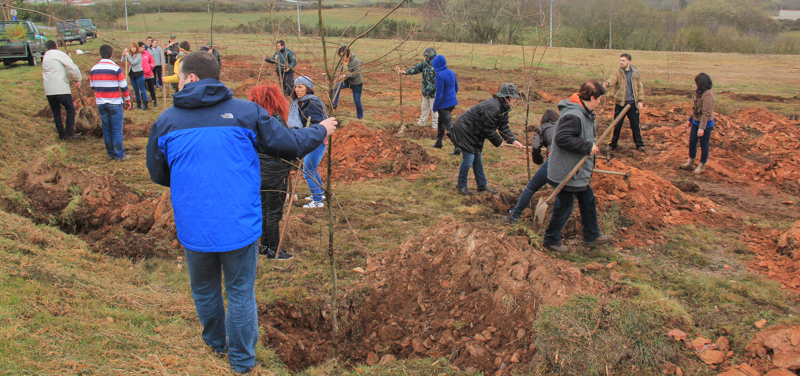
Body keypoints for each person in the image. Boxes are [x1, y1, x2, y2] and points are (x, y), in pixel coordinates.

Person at [146, 52, 337, 374]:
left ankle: (215, 345)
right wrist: (321, 129)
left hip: (195, 226)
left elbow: (159, 174)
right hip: (238, 225)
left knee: (205, 290)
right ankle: (242, 363)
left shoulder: (166, 121)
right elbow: (288, 144)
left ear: (191, 78)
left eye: (178, 77)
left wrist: (189, 179)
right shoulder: (246, 113)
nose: (178, 84)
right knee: (239, 293)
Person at [542, 81, 614, 253]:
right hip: (567, 170)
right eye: (600, 99)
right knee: (565, 206)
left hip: (577, 170)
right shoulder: (574, 115)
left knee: (587, 199)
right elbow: (562, 138)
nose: (600, 103)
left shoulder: (584, 112)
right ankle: (551, 240)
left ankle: (592, 235)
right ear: (592, 97)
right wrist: (587, 147)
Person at [450, 83, 525, 195]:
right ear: (507, 98)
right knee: (469, 157)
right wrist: (499, 141)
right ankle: (462, 186)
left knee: (477, 157)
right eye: (514, 98)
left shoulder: (503, 108)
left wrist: (513, 140)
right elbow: (487, 128)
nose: (515, 100)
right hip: (465, 130)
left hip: (475, 132)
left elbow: (503, 126)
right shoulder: (493, 107)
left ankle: (482, 185)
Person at [248, 84, 295, 259]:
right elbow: (286, 146)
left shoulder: (252, 120)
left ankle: (265, 245)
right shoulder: (275, 121)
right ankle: (274, 250)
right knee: (274, 212)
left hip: (259, 172)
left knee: (264, 208)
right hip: (275, 173)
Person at [504, 109, 560, 225]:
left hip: (553, 161)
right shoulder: (563, 127)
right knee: (563, 191)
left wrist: (538, 160)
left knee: (531, 188)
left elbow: (535, 147)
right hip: (568, 163)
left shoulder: (542, 128)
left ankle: (514, 215)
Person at [288, 76, 329, 209]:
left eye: (300, 86)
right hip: (309, 138)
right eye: (296, 86)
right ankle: (320, 193)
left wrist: (309, 131)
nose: (297, 89)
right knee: (312, 168)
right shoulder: (299, 102)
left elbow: (319, 124)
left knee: (308, 169)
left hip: (315, 140)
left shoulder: (313, 102)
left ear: (308, 88)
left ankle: (317, 201)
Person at [89, 44, 132, 161]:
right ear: (111, 54)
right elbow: (124, 87)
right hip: (114, 103)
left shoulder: (93, 69)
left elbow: (92, 86)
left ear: (100, 54)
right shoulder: (116, 69)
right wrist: (128, 101)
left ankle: (111, 153)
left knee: (107, 129)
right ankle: (119, 155)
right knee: (116, 129)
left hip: (101, 103)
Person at [603, 53, 645, 153]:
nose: (621, 62)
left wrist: (640, 101)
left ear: (629, 62)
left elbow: (640, 87)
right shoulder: (618, 73)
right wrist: (607, 84)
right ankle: (612, 144)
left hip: (632, 104)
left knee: (635, 125)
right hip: (620, 104)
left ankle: (639, 144)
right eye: (620, 60)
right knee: (617, 125)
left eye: (623, 61)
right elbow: (612, 81)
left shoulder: (636, 73)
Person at [42, 40, 82, 140]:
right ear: (56, 46)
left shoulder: (45, 56)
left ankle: (62, 135)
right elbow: (73, 68)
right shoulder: (58, 53)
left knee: (56, 112)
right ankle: (69, 133)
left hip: (49, 89)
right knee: (70, 109)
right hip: (61, 88)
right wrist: (78, 79)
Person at [681, 73, 715, 174]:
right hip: (696, 122)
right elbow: (695, 108)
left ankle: (702, 165)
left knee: (704, 145)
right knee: (692, 142)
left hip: (705, 124)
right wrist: (690, 119)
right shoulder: (699, 93)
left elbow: (705, 113)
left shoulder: (708, 95)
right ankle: (691, 161)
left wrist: (702, 128)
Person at [400, 47, 438, 129]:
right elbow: (416, 69)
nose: (426, 58)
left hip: (434, 93)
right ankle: (421, 123)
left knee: (434, 110)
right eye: (426, 57)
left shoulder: (437, 65)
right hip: (425, 92)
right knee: (424, 108)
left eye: (428, 57)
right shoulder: (425, 63)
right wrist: (406, 72)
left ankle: (435, 126)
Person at [430, 54, 459, 154]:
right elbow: (456, 88)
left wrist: (435, 107)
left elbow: (439, 95)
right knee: (441, 122)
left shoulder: (439, 76)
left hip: (443, 105)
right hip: (452, 103)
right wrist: (451, 98)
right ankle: (439, 142)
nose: (433, 67)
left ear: (437, 65)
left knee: (449, 126)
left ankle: (458, 147)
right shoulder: (451, 73)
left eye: (434, 65)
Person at [332, 45, 363, 119]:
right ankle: (334, 104)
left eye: (343, 55)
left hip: (356, 83)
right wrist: (341, 76)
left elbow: (356, 74)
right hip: (347, 81)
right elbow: (343, 70)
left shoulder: (356, 61)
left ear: (348, 54)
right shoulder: (343, 61)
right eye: (340, 56)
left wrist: (345, 75)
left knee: (357, 101)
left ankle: (360, 116)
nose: (342, 57)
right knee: (337, 86)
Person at [123, 42, 148, 110]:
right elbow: (123, 60)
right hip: (132, 74)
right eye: (131, 47)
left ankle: (145, 104)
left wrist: (128, 56)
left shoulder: (139, 55)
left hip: (139, 74)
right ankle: (138, 104)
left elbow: (133, 63)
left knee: (142, 90)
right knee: (136, 90)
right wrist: (123, 54)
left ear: (136, 48)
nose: (133, 49)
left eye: (134, 47)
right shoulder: (130, 55)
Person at [139, 42, 158, 108]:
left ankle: (154, 101)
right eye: (141, 47)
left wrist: (150, 68)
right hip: (141, 75)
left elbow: (152, 61)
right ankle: (144, 102)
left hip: (149, 74)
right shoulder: (137, 55)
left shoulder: (147, 53)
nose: (143, 48)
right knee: (142, 89)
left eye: (143, 47)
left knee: (151, 89)